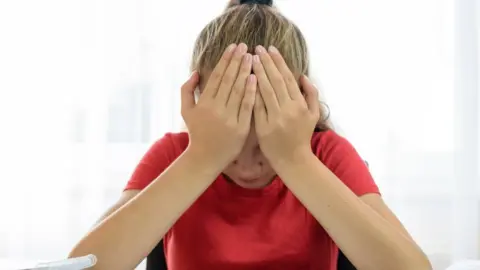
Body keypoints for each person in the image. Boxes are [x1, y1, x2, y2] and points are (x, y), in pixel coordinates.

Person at [69, 0, 432, 269]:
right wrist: (203, 159)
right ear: (199, 103)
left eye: (267, 132)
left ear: (303, 105)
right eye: (232, 130)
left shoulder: (326, 154)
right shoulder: (175, 155)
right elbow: (84, 265)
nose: (248, 160)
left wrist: (294, 159)